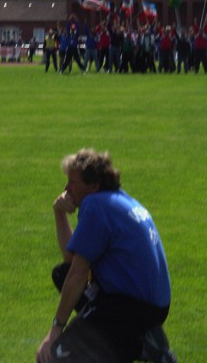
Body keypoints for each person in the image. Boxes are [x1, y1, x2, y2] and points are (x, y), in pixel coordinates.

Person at [36, 149, 174, 363]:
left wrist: (55, 330)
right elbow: (71, 260)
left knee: (58, 354)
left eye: (72, 182)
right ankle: (140, 344)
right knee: (62, 274)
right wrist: (59, 213)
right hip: (152, 304)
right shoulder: (117, 199)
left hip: (134, 306)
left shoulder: (96, 205)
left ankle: (137, 343)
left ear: (93, 186)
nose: (66, 189)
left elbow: (78, 275)